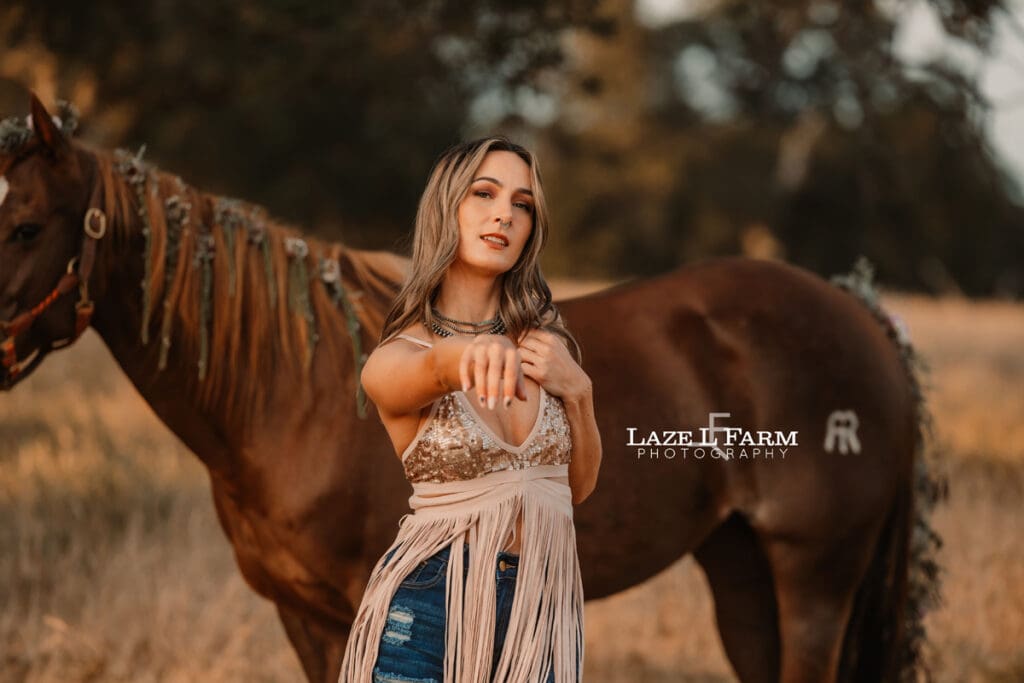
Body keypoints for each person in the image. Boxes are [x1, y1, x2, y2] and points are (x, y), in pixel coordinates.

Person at [337, 136, 602, 683]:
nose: (504, 213)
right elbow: (430, 370)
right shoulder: (398, 356)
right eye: (484, 193)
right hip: (430, 609)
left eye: (522, 204)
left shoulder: (547, 349)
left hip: (540, 612)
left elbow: (574, 488)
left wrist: (579, 392)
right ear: (447, 208)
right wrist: (466, 352)